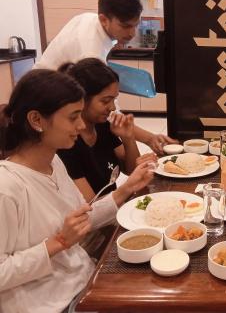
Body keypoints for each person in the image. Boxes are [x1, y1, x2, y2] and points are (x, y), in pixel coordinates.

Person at [0, 69, 154, 313]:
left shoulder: (54, 162)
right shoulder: (7, 187)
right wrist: (58, 242)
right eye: (73, 117)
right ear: (36, 120)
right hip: (51, 303)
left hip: (83, 282)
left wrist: (130, 186)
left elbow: (82, 220)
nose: (81, 125)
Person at [33, 0, 175, 154]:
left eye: (135, 25)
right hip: (45, 103)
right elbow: (110, 113)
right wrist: (149, 138)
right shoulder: (90, 49)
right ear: (104, 19)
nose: (132, 33)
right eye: (125, 26)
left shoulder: (89, 20)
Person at [57, 59, 156, 202]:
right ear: (81, 99)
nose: (113, 108)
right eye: (105, 101)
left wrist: (128, 138)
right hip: (95, 219)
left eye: (113, 100)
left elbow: (130, 169)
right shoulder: (67, 142)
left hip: (113, 208)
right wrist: (128, 188)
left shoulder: (102, 125)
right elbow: (91, 206)